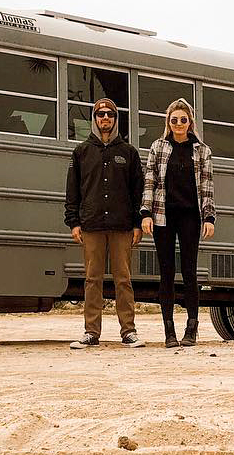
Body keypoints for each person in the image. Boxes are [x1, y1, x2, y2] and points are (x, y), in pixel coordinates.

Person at [64, 98, 145, 348]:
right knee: (92, 279)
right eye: (100, 114)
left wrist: (137, 223)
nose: (105, 118)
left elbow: (138, 191)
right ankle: (91, 332)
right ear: (95, 119)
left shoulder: (129, 153)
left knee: (123, 279)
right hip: (91, 225)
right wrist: (73, 222)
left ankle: (128, 331)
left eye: (110, 114)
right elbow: (73, 191)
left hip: (122, 226)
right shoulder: (81, 152)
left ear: (116, 118)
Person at [140, 99, 215, 347]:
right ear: (168, 123)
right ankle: (169, 332)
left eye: (183, 120)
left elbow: (207, 187)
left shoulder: (202, 151)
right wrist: (146, 213)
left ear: (190, 122)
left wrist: (209, 217)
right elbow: (149, 181)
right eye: (174, 120)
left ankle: (191, 328)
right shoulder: (158, 147)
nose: (179, 124)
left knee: (190, 272)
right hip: (163, 216)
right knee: (167, 274)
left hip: (190, 217)